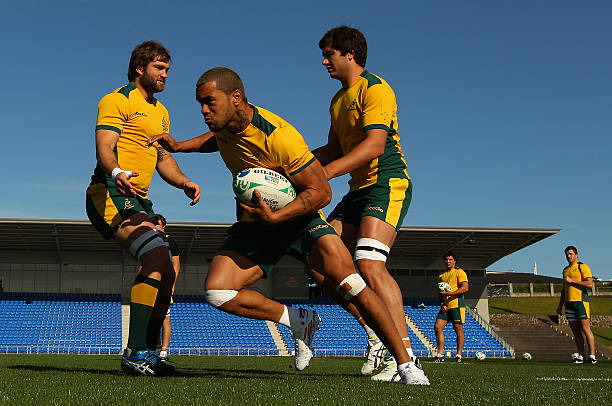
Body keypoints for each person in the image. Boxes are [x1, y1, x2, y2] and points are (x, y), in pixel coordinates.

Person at [146, 67, 429, 385]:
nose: (203, 110)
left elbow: (322, 191)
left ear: (236, 98)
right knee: (218, 291)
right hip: (256, 224)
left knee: (352, 284)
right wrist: (180, 146)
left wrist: (279, 216)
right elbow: (216, 139)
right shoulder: (226, 124)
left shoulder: (279, 137)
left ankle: (407, 365)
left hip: (299, 220)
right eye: (200, 103)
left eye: (210, 102)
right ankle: (298, 319)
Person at [308, 25, 425, 382]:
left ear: (350, 54)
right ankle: (375, 332)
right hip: (357, 190)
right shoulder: (337, 100)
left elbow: (374, 146)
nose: (324, 62)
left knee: (369, 262)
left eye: (329, 54)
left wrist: (322, 174)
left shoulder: (375, 88)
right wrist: (291, 167)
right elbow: (334, 149)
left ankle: (404, 357)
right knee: (318, 261)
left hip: (387, 182)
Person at [85, 40, 200, 376]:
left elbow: (163, 158)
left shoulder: (161, 112)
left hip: (139, 198)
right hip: (108, 190)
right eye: (159, 68)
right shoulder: (117, 99)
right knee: (155, 256)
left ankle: (148, 355)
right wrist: (117, 170)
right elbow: (104, 146)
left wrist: (183, 182)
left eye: (167, 69)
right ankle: (135, 354)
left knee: (167, 270)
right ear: (140, 68)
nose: (165, 75)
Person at [556, 246, 597, 364]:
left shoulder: (582, 267)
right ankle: (580, 356)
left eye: (570, 254)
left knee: (585, 328)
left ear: (576, 254)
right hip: (569, 304)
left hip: (581, 302)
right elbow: (564, 290)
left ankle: (592, 356)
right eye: (567, 255)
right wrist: (560, 305)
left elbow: (590, 284)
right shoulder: (565, 270)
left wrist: (572, 281)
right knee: (575, 331)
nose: (569, 256)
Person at [153, 214, 181, 361]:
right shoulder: (150, 241)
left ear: (164, 225)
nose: (155, 227)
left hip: (165, 285)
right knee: (154, 319)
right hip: (152, 286)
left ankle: (164, 350)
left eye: (157, 224)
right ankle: (156, 349)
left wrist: (173, 283)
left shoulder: (170, 241)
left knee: (165, 318)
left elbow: (176, 264)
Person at [433, 251, 469, 362]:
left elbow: (465, 288)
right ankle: (440, 354)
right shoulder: (441, 275)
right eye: (446, 259)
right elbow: (440, 293)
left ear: (454, 261)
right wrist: (442, 303)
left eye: (450, 259)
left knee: (458, 329)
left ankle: (458, 355)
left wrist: (450, 294)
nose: (448, 261)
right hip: (445, 306)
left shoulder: (459, 272)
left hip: (457, 304)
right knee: (437, 327)